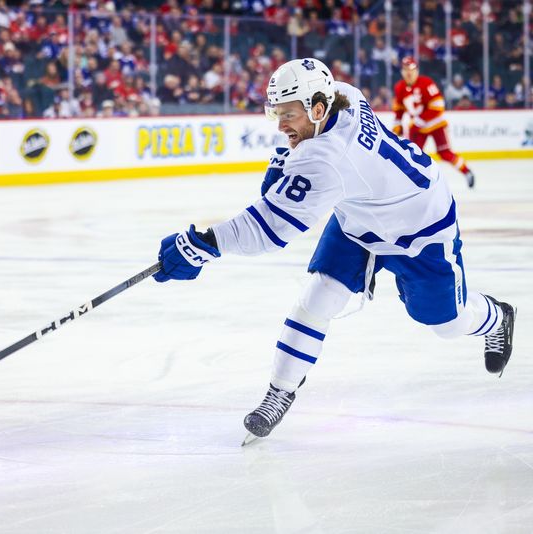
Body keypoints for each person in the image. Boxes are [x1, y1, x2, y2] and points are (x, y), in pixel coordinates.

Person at [152, 58, 516, 443]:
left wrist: (202, 245)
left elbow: (268, 230)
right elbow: (303, 158)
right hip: (360, 218)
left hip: (421, 230)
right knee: (318, 297)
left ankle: (497, 317)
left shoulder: (327, 160)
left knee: (447, 324)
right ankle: (280, 391)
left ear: (317, 109)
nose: (280, 125)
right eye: (276, 113)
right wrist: (288, 159)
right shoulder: (345, 96)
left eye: (287, 114)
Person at [392, 57, 476, 188]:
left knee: (445, 153)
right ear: (402, 72)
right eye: (405, 70)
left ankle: (467, 172)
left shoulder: (426, 83)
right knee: (412, 155)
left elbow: (438, 106)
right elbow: (399, 109)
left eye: (412, 70)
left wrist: (419, 120)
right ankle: (412, 184)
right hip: (418, 128)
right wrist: (397, 125)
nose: (409, 73)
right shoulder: (399, 88)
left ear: (417, 71)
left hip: (435, 124)